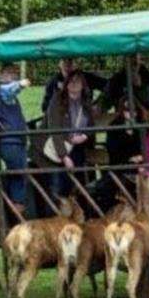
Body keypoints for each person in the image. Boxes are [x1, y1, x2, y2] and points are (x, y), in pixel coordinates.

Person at [33, 71, 95, 201]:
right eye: (71, 81)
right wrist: (64, 156)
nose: (74, 84)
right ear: (66, 84)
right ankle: (56, 217)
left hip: (74, 148)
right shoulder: (57, 100)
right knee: (57, 187)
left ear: (83, 85)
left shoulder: (86, 103)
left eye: (77, 81)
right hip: (53, 150)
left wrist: (84, 136)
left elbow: (91, 126)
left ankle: (73, 215)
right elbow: (54, 129)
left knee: (73, 186)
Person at [0, 63, 31, 214]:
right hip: (10, 141)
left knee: (15, 174)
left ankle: (12, 208)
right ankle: (17, 211)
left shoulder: (0, 93)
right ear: (1, 74)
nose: (13, 75)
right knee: (19, 174)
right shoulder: (2, 90)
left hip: (13, 141)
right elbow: (10, 90)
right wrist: (20, 84)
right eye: (10, 72)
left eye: (15, 73)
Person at [42, 58, 107, 113]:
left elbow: (108, 86)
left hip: (85, 118)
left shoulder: (87, 78)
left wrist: (98, 104)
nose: (67, 64)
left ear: (75, 63)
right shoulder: (53, 83)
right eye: (64, 60)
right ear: (59, 63)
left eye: (70, 60)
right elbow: (45, 107)